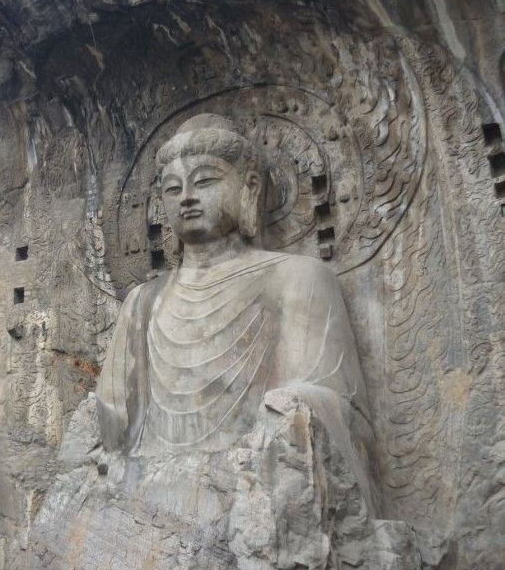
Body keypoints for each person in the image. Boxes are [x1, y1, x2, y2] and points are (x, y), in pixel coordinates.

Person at [96, 113, 375, 507]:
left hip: (252, 491)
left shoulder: (297, 277)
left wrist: (293, 410)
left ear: (250, 187)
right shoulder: (141, 302)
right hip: (144, 493)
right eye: (173, 188)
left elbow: (338, 412)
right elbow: (112, 420)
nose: (186, 197)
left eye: (204, 181)